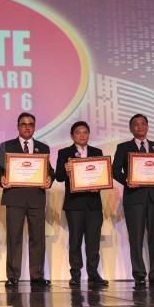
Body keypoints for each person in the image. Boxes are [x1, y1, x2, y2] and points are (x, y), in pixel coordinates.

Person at [112, 113, 154, 286]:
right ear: (131, 128)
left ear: (147, 126)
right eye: (136, 124)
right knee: (136, 236)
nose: (140, 126)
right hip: (134, 198)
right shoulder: (124, 147)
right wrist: (127, 181)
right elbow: (115, 171)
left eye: (143, 123)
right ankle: (139, 273)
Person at [0, 112, 54, 287]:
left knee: (38, 238)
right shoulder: (7, 146)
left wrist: (49, 178)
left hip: (36, 198)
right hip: (15, 198)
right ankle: (13, 275)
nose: (27, 127)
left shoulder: (43, 147)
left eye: (30, 124)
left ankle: (37, 275)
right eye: (23, 124)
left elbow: (50, 170)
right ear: (18, 127)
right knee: (14, 238)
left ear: (34, 127)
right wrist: (1, 178)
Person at [55, 121, 108, 287]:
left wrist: (99, 185)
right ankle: (76, 274)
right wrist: (66, 170)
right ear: (72, 136)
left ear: (89, 134)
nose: (82, 135)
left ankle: (93, 274)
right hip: (74, 204)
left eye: (85, 132)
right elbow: (59, 177)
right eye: (78, 132)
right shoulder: (64, 153)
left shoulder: (97, 152)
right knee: (75, 241)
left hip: (93, 204)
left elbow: (102, 176)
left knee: (93, 241)